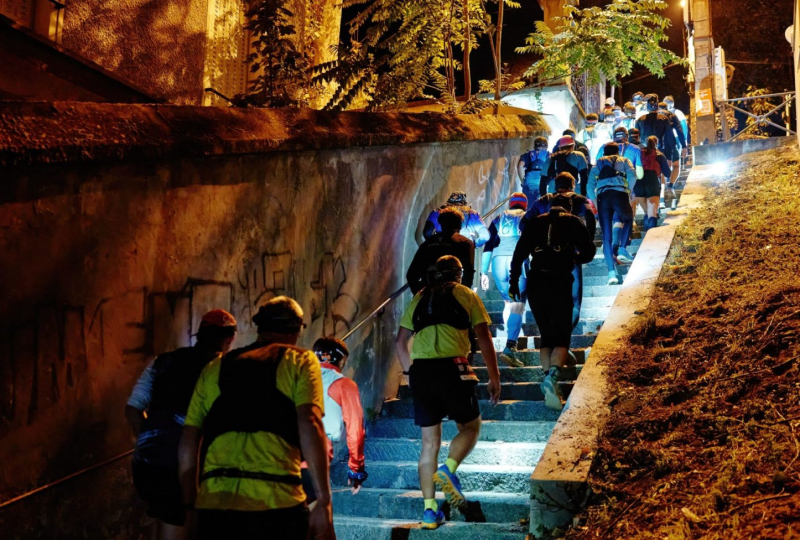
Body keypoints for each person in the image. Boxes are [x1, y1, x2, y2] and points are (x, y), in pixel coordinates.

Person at [178, 297, 335, 540]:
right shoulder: (301, 361)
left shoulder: (214, 368)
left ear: (259, 327)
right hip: (276, 502)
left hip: (215, 504)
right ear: (297, 328)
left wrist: (190, 505)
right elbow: (309, 422)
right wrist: (324, 500)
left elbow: (189, 437)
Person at [395, 256, 501, 530]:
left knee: (429, 444)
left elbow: (400, 341)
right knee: (471, 426)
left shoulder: (419, 297)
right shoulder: (466, 294)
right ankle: (448, 469)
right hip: (454, 368)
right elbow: (483, 336)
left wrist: (410, 374)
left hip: (421, 372)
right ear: (459, 273)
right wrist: (494, 376)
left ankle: (430, 512)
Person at [126, 309, 238, 540]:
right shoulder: (221, 369)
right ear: (229, 339)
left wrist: (151, 440)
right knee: (182, 522)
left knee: (163, 517)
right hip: (186, 468)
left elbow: (132, 409)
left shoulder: (162, 361)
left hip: (147, 463)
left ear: (200, 334)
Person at [509, 206, 596, 410]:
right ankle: (553, 377)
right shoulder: (573, 221)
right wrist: (574, 257)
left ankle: (548, 378)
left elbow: (519, 253)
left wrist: (513, 282)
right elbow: (589, 251)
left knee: (546, 335)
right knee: (562, 335)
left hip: (536, 282)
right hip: (559, 280)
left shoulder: (534, 223)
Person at [525, 172, 596, 330]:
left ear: (554, 185)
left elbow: (524, 223)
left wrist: (534, 245)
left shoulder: (544, 200)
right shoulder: (579, 200)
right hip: (569, 255)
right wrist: (586, 242)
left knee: (546, 302)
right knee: (574, 301)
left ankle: (553, 339)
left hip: (543, 259)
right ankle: (564, 339)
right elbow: (590, 217)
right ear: (573, 185)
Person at [301, 337, 367, 503]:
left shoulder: (295, 379)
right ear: (343, 360)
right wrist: (356, 468)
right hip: (313, 461)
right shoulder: (344, 385)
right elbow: (355, 431)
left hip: (278, 458)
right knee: (314, 520)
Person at [480, 192, 529, 365]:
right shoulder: (527, 216)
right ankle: (510, 346)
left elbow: (488, 244)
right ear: (524, 205)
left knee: (508, 302)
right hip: (518, 260)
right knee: (517, 302)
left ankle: (510, 334)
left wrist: (483, 272)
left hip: (498, 261)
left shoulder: (497, 218)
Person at [588, 143, 637, 285]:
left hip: (603, 198)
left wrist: (596, 202)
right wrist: (628, 189)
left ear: (604, 152)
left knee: (606, 237)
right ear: (617, 151)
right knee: (628, 218)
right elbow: (633, 175)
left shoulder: (598, 163)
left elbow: (590, 185)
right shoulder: (623, 160)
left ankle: (611, 273)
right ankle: (622, 249)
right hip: (619, 194)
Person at [407, 207, 476, 294]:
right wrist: (464, 296)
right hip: (453, 295)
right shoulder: (465, 243)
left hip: (430, 294)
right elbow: (468, 273)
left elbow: (411, 275)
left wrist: (420, 295)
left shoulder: (427, 244)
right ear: (459, 224)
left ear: (441, 223)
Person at [636, 95, 679, 208]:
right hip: (660, 151)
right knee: (662, 175)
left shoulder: (640, 120)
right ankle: (661, 200)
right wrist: (669, 154)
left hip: (643, 153)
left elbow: (636, 138)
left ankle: (649, 204)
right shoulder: (664, 119)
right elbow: (669, 138)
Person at [423, 191, 490, 247]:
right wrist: (474, 245)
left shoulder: (437, 212)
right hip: (464, 251)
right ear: (464, 202)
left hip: (442, 249)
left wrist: (434, 244)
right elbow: (486, 235)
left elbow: (427, 232)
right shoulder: (473, 214)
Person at [637, 136, 672, 234]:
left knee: (646, 212)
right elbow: (668, 173)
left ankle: (645, 236)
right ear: (657, 144)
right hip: (652, 181)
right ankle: (650, 237)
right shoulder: (659, 155)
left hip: (638, 182)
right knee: (652, 213)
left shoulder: (639, 153)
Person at [657, 100, 688, 208]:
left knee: (661, 170)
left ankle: (661, 197)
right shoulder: (672, 115)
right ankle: (670, 186)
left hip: (657, 147)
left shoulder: (654, 116)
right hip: (671, 144)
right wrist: (684, 146)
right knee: (676, 166)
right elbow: (680, 131)